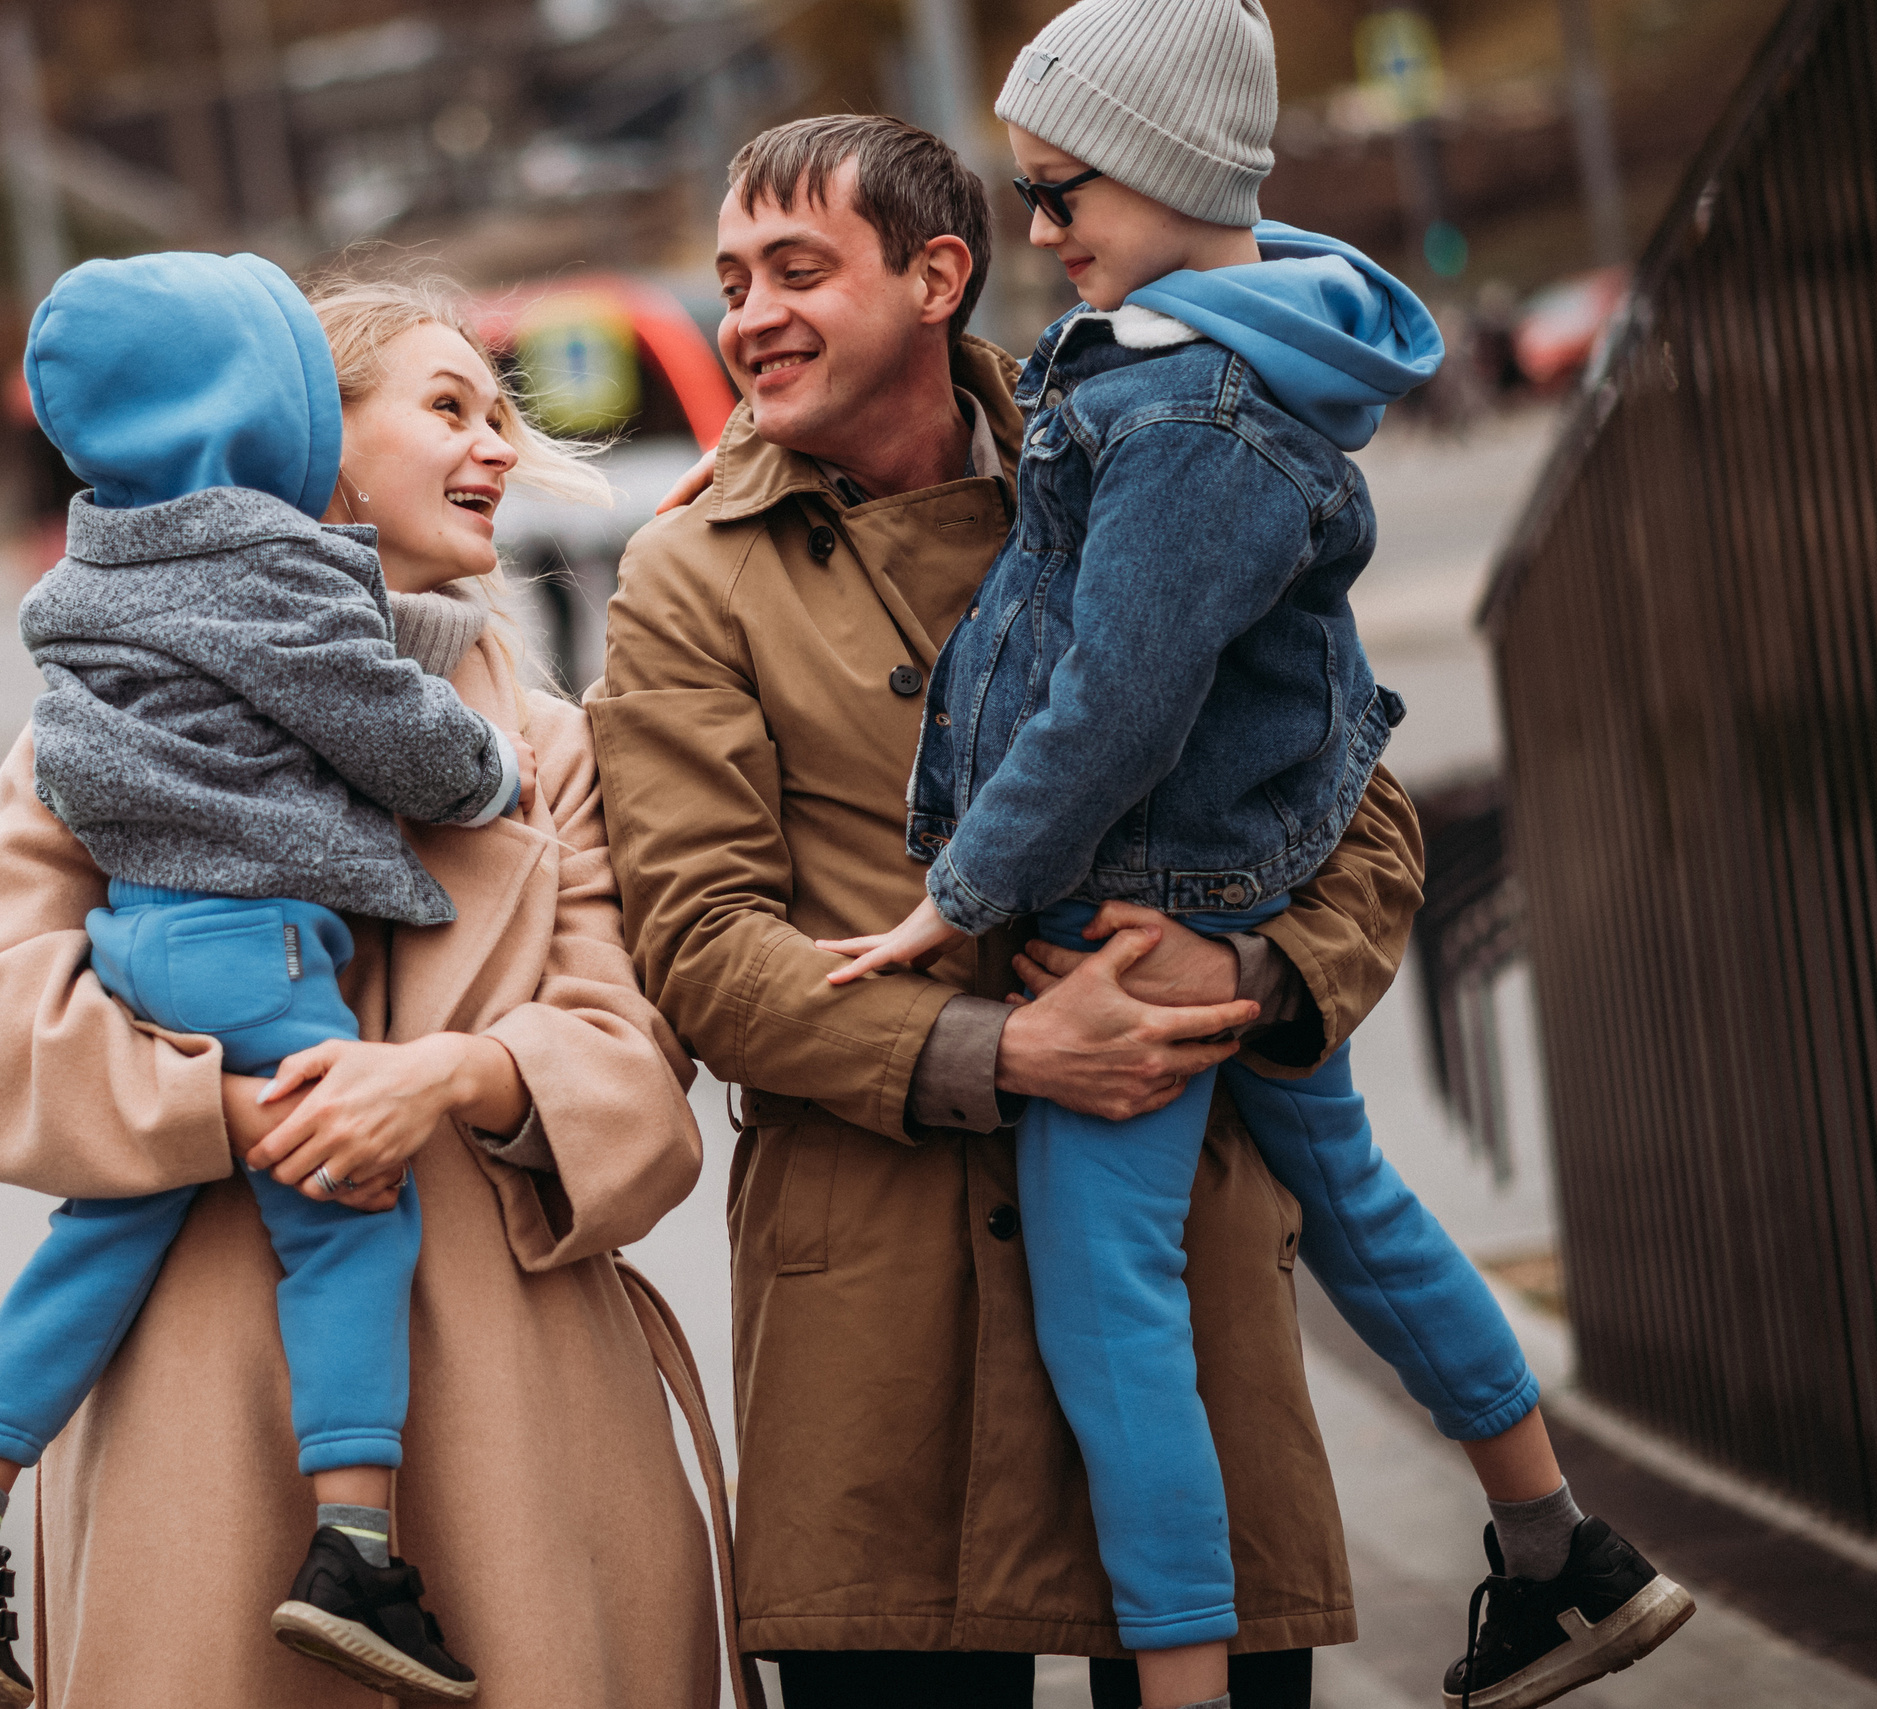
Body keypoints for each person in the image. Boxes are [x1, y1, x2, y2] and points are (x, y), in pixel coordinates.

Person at [820, 7, 1694, 1708]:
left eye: (1063, 192)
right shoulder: (1254, 331)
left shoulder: (1188, 415)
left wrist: (964, 890)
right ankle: (1562, 1551)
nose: (1042, 230)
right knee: (1357, 1204)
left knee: (1108, 1310)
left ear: (1167, 171)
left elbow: (1117, 699)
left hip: (1129, 910)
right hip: (1222, 886)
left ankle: (1188, 1686)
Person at [588, 113, 1424, 1709]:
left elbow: (1357, 803)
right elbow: (700, 943)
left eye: (796, 270)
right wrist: (1011, 1050)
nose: (749, 316)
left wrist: (1239, 966)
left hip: (1179, 1273)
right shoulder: (690, 573)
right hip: (880, 1334)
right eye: (731, 280)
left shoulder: (1153, 446)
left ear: (936, 276)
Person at [0, 273, 723, 1709]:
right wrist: (238, 1114)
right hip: (204, 1436)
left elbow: (640, 1078)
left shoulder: (550, 749)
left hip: (516, 1437)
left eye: (500, 414)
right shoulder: (102, 725)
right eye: (447, 407)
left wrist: (451, 1077)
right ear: (309, 437)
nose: (495, 445)